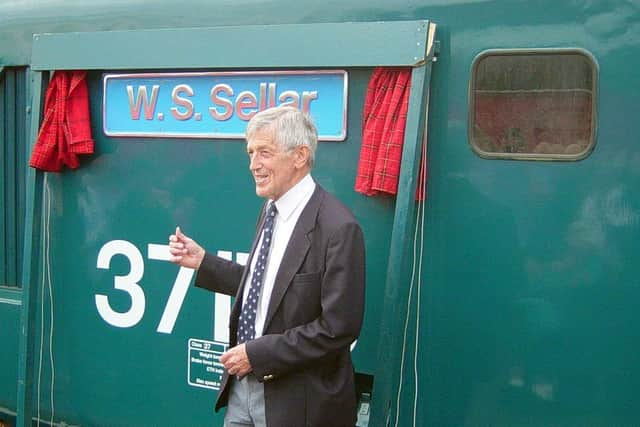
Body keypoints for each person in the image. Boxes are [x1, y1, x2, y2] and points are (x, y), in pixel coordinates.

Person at [168, 106, 366, 427]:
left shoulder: (339, 228)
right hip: (243, 390)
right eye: (250, 153)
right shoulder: (271, 209)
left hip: (298, 404)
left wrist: (257, 355)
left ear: (300, 156)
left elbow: (338, 328)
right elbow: (267, 287)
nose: (253, 165)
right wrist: (203, 262)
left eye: (264, 153)